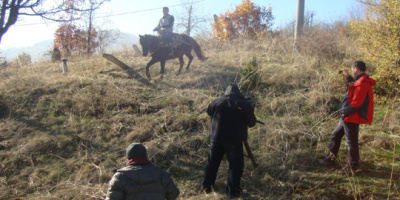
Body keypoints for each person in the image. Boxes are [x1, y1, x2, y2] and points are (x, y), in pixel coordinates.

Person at [202, 84, 257, 199]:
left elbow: (209, 111)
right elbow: (252, 123)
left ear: (226, 92)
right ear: (238, 92)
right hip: (234, 140)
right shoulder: (243, 104)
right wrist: (249, 109)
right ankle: (233, 191)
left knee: (212, 163)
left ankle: (207, 187)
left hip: (216, 138)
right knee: (235, 165)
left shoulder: (216, 102)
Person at [324, 61, 376, 175]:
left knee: (351, 143)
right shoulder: (361, 80)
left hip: (352, 116)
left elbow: (356, 104)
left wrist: (344, 112)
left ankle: (352, 168)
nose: (352, 70)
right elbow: (355, 84)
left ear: (356, 69)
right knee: (335, 135)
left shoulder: (363, 83)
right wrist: (348, 77)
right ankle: (330, 160)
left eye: (352, 69)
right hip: (348, 116)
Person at [105, 142, 180, 200]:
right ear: (145, 155)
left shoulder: (120, 177)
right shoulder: (161, 174)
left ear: (128, 157)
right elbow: (173, 195)